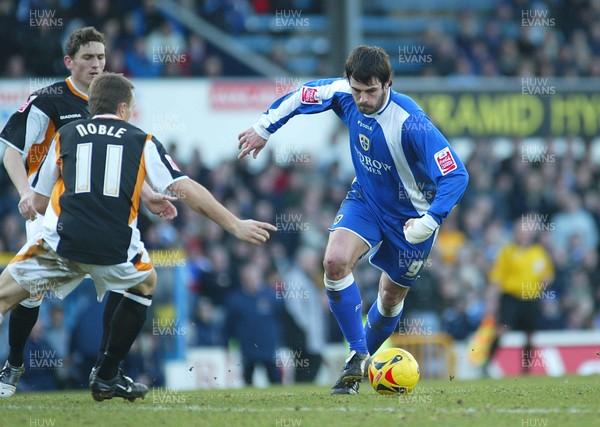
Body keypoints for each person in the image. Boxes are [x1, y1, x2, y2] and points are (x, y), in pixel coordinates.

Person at [0, 72, 277, 402]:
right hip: (115, 249)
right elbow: (183, 187)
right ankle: (106, 374)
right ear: (122, 108)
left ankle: (15, 370)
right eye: (131, 108)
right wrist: (234, 224)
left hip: (62, 243)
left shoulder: (65, 135)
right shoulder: (140, 139)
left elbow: (41, 201)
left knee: (3, 297)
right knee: (145, 284)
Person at [238, 45, 469, 394]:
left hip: (412, 219)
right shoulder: (344, 93)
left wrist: (432, 219)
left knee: (390, 298)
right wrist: (264, 128)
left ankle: (360, 358)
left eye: (370, 91)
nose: (361, 100)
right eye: (357, 90)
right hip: (366, 200)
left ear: (388, 83)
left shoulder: (412, 123)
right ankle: (357, 355)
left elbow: (456, 175)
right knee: (333, 261)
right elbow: (302, 96)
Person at [0, 26, 176, 398]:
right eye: (88, 58)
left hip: (101, 208)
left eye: (101, 56)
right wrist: (25, 191)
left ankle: (107, 369)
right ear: (70, 62)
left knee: (126, 275)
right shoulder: (48, 100)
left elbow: (119, 161)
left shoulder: (110, 99)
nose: (97, 64)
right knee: (30, 292)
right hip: (50, 207)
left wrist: (145, 194)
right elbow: (10, 148)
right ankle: (14, 363)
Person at [485, 215, 555, 375]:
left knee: (530, 334)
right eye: (520, 231)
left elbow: (548, 275)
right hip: (511, 297)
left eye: (526, 231)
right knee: (502, 330)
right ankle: (487, 364)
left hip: (531, 298)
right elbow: (497, 276)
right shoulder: (507, 252)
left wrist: (545, 282)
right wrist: (492, 299)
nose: (523, 234)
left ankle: (526, 369)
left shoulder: (539, 252)